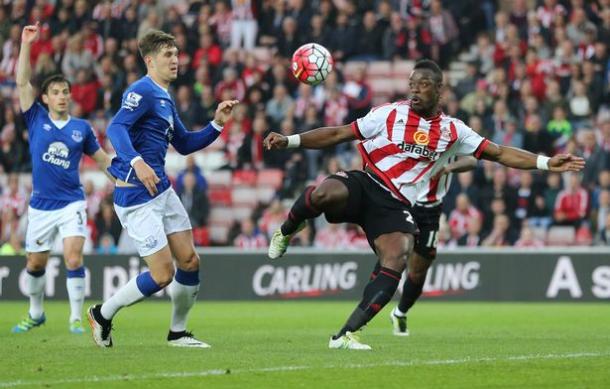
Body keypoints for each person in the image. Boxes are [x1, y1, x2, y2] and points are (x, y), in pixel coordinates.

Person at [264, 59, 585, 350]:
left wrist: (546, 163)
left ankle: (346, 334)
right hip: (368, 183)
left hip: (396, 205)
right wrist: (291, 140)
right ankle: (287, 230)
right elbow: (338, 133)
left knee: (398, 258)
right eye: (412, 84)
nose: (415, 90)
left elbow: (499, 153)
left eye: (423, 84)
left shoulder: (453, 130)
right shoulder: (389, 113)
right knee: (322, 193)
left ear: (439, 90)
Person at [86, 29, 237, 349]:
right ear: (150, 60)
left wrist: (217, 124)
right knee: (161, 274)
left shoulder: (165, 98)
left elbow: (183, 144)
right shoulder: (141, 90)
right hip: (137, 196)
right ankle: (103, 313)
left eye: (176, 54)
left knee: (190, 261)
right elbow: (115, 128)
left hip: (162, 191)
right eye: (168, 55)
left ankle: (178, 332)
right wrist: (137, 161)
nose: (175, 60)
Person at [12, 23, 113, 334]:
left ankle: (73, 317)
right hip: (41, 205)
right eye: (55, 92)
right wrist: (27, 44)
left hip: (72, 202)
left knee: (72, 258)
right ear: (44, 98)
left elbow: (102, 160)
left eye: (65, 92)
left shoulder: (81, 128)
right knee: (35, 265)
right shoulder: (35, 117)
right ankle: (36, 312)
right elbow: (22, 80)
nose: (62, 96)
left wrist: (125, 176)